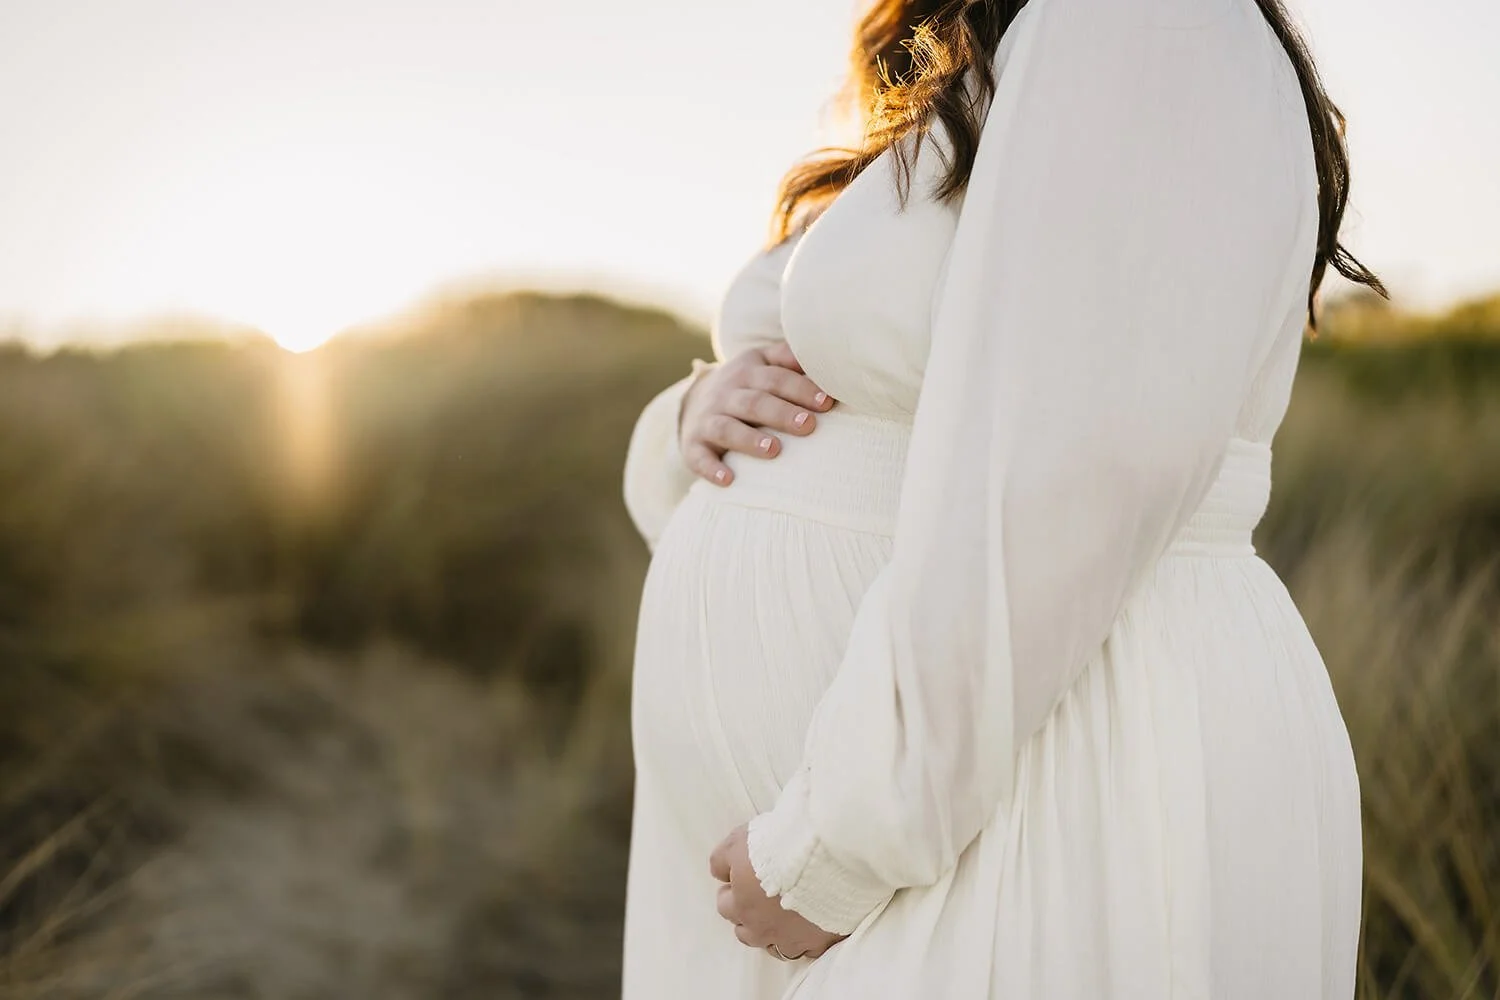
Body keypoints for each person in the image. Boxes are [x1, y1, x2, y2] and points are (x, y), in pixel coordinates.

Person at [620, 0, 1383, 996]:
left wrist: (837, 845)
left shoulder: (1152, 23)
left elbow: (1076, 478)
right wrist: (688, 422)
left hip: (1041, 772)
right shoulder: (978, 56)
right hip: (891, 807)